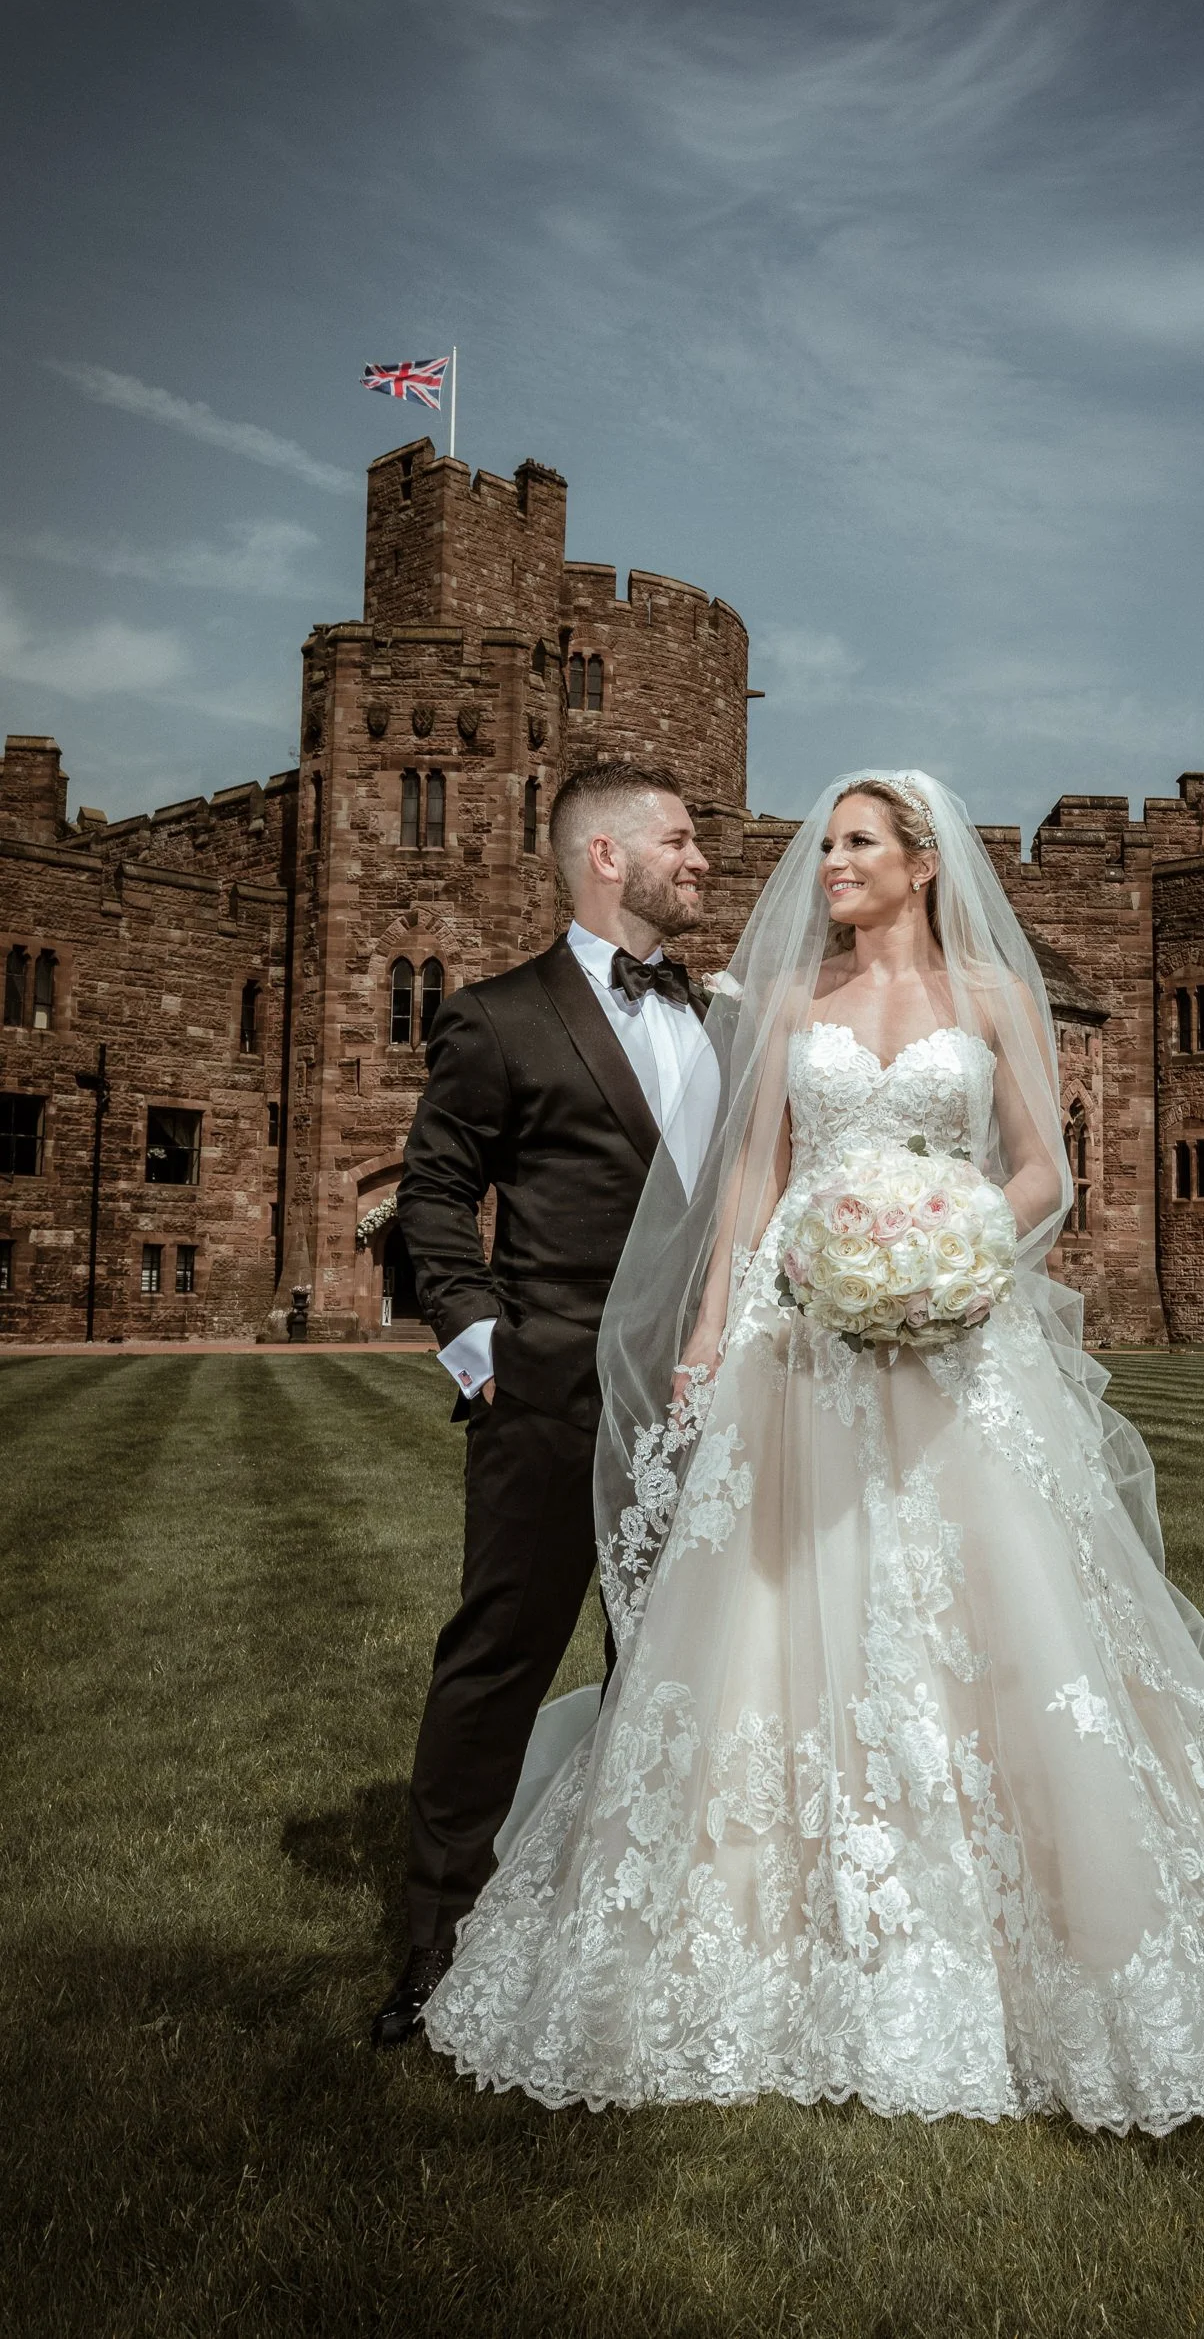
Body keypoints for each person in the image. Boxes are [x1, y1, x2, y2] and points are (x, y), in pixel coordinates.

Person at [421, 768, 1204, 2130]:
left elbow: (1040, 1169)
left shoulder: (995, 1001)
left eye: (856, 844)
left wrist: (959, 1242)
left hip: (951, 1343)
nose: (827, 863)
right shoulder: (786, 1006)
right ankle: (762, 1923)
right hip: (798, 1353)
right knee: (767, 1623)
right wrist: (708, 1332)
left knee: (991, 1616)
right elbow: (752, 1182)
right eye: (824, 843)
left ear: (921, 862)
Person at [370, 761, 716, 2048]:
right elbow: (432, 1191)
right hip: (551, 1396)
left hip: (712, 1404)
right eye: (679, 840)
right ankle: (436, 1942)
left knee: (676, 1665)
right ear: (605, 857)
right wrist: (482, 1345)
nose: (702, 857)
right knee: (499, 1660)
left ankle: (649, 1930)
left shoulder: (725, 1016)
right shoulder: (499, 1016)